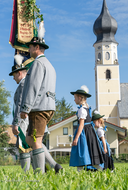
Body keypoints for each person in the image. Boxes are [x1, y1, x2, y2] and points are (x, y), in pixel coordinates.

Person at [20, 22, 56, 173]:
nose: (28, 50)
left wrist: (25, 108)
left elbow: (33, 87)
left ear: (36, 48)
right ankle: (53, 167)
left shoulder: (37, 64)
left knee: (35, 141)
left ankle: (40, 175)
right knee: (30, 139)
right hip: (48, 106)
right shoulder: (50, 65)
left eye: (30, 47)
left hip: (39, 107)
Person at [69, 85, 104, 172]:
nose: (74, 100)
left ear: (80, 98)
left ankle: (81, 172)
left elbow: (81, 125)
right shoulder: (87, 108)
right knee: (91, 157)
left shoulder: (81, 110)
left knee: (81, 154)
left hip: (84, 134)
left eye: (75, 98)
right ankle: (102, 171)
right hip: (90, 132)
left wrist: (76, 138)